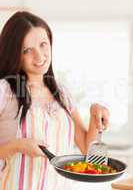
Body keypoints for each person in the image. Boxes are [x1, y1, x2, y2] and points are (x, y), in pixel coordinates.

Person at [0, 11, 109, 189]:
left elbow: (87, 150)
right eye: (27, 50)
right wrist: (16, 146)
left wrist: (94, 115)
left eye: (43, 45)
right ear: (15, 53)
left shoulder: (62, 93)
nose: (40, 56)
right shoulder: (5, 90)